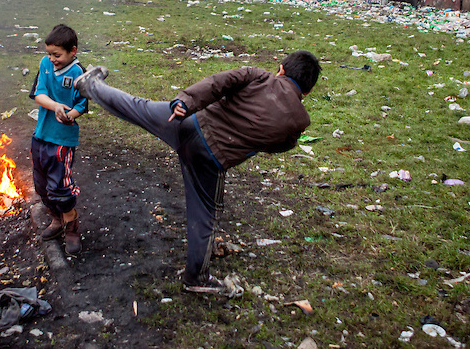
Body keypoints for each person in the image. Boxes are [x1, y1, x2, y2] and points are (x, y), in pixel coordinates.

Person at [74, 50, 321, 293]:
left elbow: (217, 83)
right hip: (211, 159)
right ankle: (196, 276)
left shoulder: (258, 76)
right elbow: (282, 145)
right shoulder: (300, 120)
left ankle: (92, 86)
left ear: (281, 69)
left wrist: (184, 101)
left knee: (137, 107)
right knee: (204, 216)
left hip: (186, 122)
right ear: (307, 90)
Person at [30, 24, 88, 255]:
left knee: (61, 186)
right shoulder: (45, 65)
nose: (52, 59)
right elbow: (38, 94)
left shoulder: (78, 73)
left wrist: (70, 116)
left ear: (72, 51)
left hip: (62, 141)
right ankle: (56, 221)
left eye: (57, 55)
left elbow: (82, 105)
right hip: (41, 135)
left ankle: (71, 226)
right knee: (41, 184)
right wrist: (55, 107)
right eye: (49, 54)